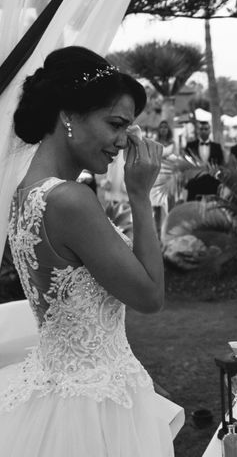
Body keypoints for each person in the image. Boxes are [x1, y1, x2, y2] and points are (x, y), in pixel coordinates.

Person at [0, 46, 174, 456]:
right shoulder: (70, 200)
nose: (122, 142)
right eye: (115, 124)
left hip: (58, 389)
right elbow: (150, 297)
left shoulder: (24, 194)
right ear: (68, 115)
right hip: (92, 409)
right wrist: (139, 195)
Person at [184, 120, 223, 201]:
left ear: (210, 130)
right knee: (192, 209)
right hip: (195, 182)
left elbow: (221, 164)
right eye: (201, 129)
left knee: (212, 210)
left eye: (206, 129)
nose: (204, 131)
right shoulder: (190, 146)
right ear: (198, 130)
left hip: (212, 183)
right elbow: (185, 164)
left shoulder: (217, 147)